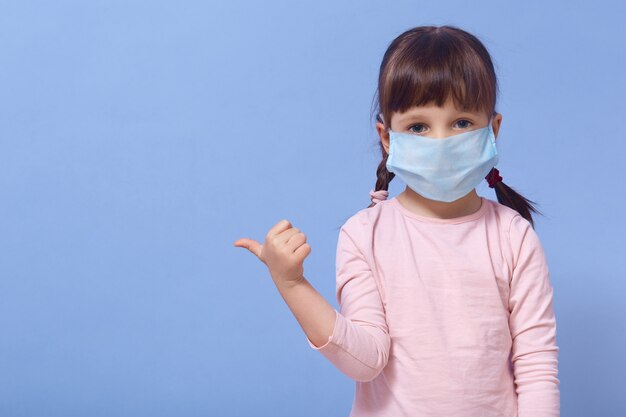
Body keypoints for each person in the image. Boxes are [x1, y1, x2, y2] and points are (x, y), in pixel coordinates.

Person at [234, 24, 560, 417]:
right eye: (418, 127)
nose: (440, 143)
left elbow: (537, 368)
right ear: (387, 137)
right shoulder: (364, 235)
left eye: (461, 123)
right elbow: (364, 360)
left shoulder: (514, 237)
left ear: (492, 130)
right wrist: (292, 283)